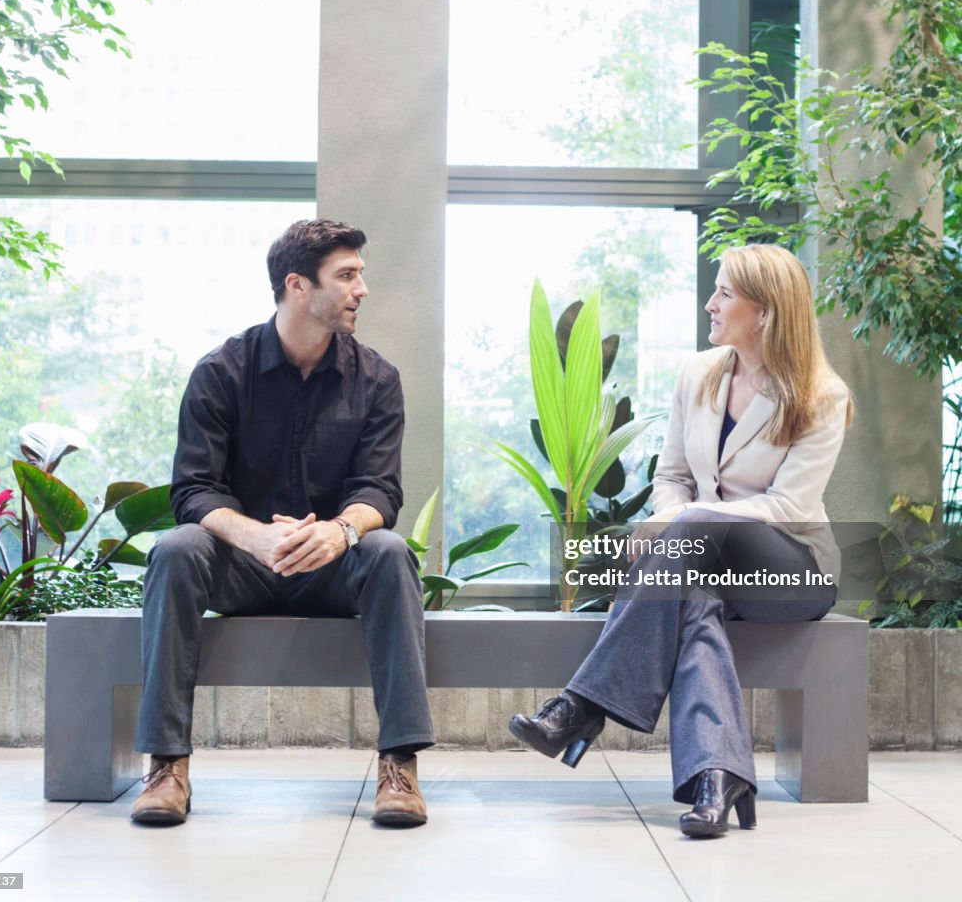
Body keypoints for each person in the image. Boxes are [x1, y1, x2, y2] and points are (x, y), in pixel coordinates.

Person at [509, 243, 853, 837]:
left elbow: (791, 506)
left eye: (723, 293)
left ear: (765, 312)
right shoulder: (698, 373)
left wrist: (685, 518)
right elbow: (670, 477)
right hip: (700, 565)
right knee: (692, 604)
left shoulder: (822, 395)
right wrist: (680, 514)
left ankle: (581, 707)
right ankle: (717, 779)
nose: (709, 303)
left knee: (695, 533)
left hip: (790, 568)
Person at [130, 219, 434, 828]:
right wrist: (253, 535)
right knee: (176, 548)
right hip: (243, 567)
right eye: (346, 276)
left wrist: (339, 532)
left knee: (390, 552)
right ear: (297, 285)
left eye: (360, 275)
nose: (361, 290)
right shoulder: (221, 372)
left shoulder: (377, 379)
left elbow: (381, 491)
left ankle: (398, 767)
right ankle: (167, 767)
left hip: (332, 568)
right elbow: (193, 489)